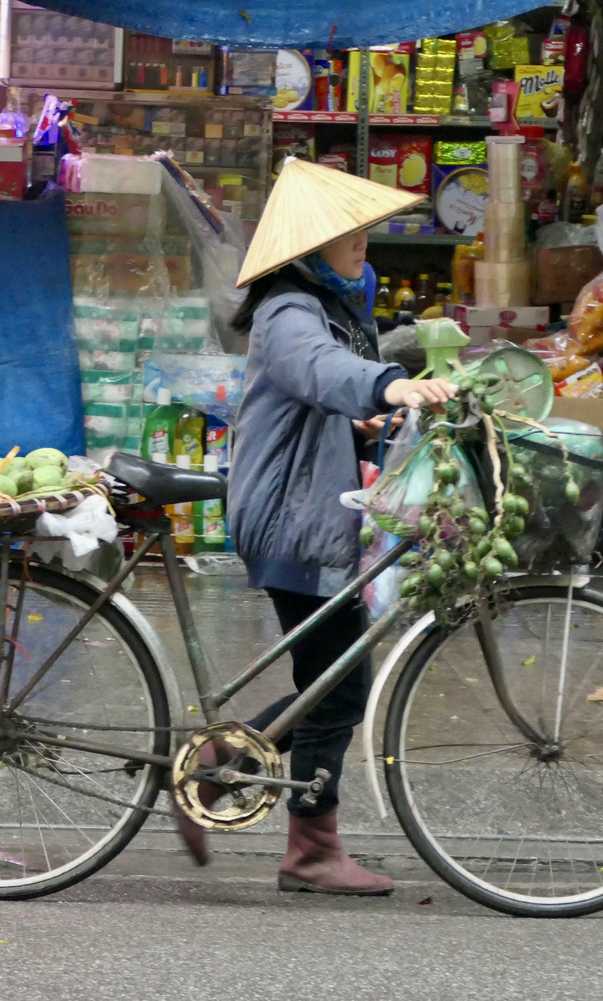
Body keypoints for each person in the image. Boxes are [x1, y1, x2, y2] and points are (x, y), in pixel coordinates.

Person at [175, 159, 457, 895]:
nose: (363, 240)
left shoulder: (329, 303)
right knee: (337, 683)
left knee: (331, 680)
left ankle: (223, 763)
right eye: (348, 230)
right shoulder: (289, 311)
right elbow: (318, 369)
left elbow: (325, 389)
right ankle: (307, 849)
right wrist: (386, 383)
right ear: (310, 245)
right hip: (290, 518)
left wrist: (367, 410)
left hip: (307, 507)